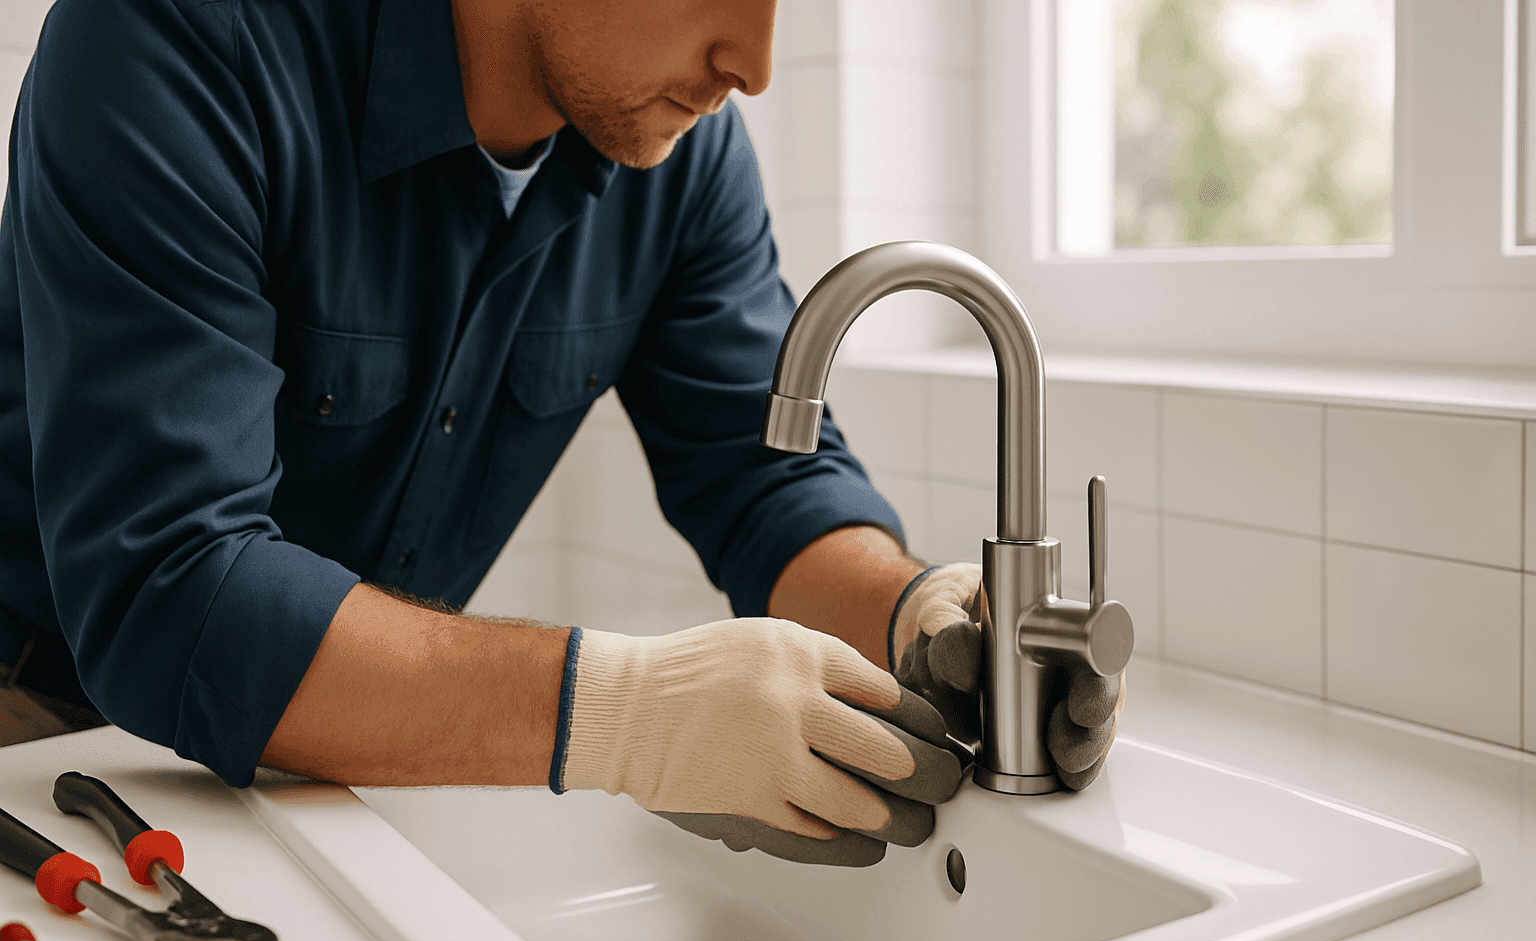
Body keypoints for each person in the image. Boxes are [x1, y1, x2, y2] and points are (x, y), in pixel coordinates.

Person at [0, 0, 1119, 867]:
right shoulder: (176, 40)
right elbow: (174, 591)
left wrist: (918, 617)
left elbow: (766, 485)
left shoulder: (683, 157)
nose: (756, 64)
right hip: (45, 740)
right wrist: (630, 714)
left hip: (346, 751)